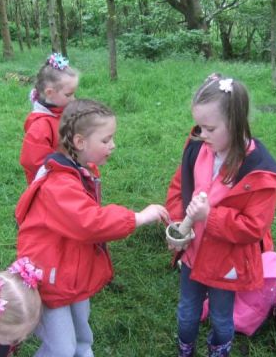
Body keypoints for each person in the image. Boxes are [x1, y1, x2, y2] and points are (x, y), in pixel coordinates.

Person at [15, 98, 169, 357]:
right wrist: (138, 217)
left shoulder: (80, 170)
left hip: (70, 269)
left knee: (82, 335)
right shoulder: (59, 184)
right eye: (106, 140)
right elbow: (90, 223)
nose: (113, 145)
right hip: (49, 276)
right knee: (61, 348)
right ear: (80, 142)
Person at [165, 73, 276, 357]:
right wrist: (178, 223)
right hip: (193, 253)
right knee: (187, 311)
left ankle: (219, 351)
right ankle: (185, 350)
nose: (201, 134)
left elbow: (254, 227)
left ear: (234, 123)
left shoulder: (260, 173)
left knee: (221, 316)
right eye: (199, 126)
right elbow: (180, 188)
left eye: (209, 128)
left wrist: (210, 216)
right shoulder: (199, 147)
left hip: (227, 261)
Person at [20, 52, 79, 184]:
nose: (73, 99)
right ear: (50, 93)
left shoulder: (61, 111)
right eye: (68, 95)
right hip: (55, 185)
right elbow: (36, 164)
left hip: (71, 178)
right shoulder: (40, 127)